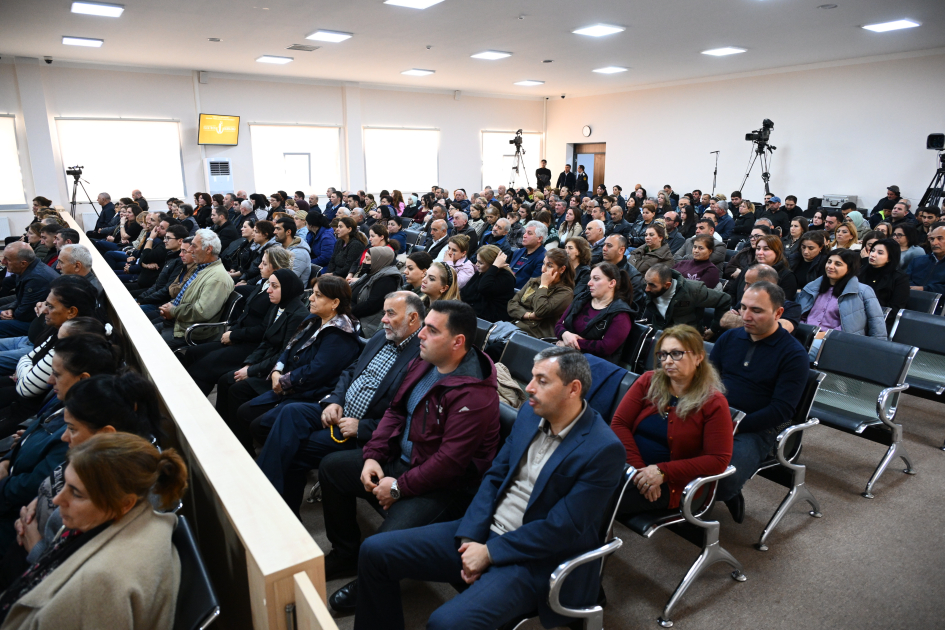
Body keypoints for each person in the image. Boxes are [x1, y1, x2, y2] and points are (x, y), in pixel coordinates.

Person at [352, 346, 624, 630]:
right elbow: (494, 477)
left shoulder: (602, 449)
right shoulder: (530, 415)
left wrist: (490, 553)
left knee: (446, 623)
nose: (528, 388)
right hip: (484, 532)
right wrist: (471, 535)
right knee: (374, 551)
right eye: (531, 378)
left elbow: (562, 529)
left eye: (542, 381)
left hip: (533, 559)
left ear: (573, 389)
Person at [319, 301, 500, 613]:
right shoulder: (426, 360)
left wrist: (399, 487)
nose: (421, 335)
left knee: (380, 549)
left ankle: (368, 584)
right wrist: (374, 456)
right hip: (405, 462)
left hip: (445, 487)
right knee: (332, 468)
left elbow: (449, 464)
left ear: (457, 342)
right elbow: (396, 410)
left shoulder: (476, 396)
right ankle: (346, 552)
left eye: (431, 330)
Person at [257, 292, 424, 517]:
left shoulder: (421, 356)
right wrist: (334, 401)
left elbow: (403, 414)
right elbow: (350, 371)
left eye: (390, 313)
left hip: (361, 431)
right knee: (290, 413)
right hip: (339, 409)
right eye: (384, 312)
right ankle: (264, 491)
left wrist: (361, 427)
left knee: (295, 451)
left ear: (413, 318)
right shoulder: (382, 336)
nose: (383, 319)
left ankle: (271, 506)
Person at [0, 433, 186, 629]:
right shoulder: (128, 517)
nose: (57, 500)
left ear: (125, 503)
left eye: (76, 493)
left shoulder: (99, 585)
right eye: (65, 485)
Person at [710, 282, 810, 522]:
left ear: (778, 313)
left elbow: (781, 410)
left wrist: (733, 426)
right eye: (743, 307)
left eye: (756, 310)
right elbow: (708, 381)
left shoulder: (793, 355)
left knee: (724, 479)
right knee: (664, 445)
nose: (745, 316)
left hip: (757, 428)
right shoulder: (730, 338)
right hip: (717, 414)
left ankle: (730, 493)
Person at [612, 324, 733, 515]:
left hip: (672, 482)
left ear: (698, 357)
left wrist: (662, 472)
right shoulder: (648, 381)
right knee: (574, 482)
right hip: (630, 467)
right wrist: (641, 472)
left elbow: (718, 460)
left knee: (597, 500)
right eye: (663, 355)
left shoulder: (713, 402)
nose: (667, 361)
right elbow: (619, 424)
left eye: (676, 354)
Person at [184, 253, 300, 393]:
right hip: (241, 337)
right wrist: (232, 332)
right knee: (193, 353)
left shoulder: (278, 296)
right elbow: (245, 314)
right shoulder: (264, 284)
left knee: (204, 367)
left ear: (277, 268)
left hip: (251, 344)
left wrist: (235, 335)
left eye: (264, 263)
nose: (259, 266)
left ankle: (189, 403)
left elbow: (264, 331)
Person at [156, 229, 234, 350]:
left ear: (208, 249)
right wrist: (170, 306)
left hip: (189, 333)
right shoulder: (201, 268)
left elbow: (201, 312)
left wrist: (173, 311)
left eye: (193, 246)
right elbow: (186, 297)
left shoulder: (218, 278)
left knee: (145, 344)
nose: (190, 250)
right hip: (179, 323)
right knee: (138, 330)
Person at [798, 248, 887, 351]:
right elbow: (799, 315)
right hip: (805, 336)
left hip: (837, 342)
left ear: (849, 268)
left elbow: (876, 327)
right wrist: (805, 332)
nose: (830, 266)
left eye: (838, 264)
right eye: (829, 262)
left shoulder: (863, 291)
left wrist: (876, 351)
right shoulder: (812, 286)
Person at [554, 262, 633, 361]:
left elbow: (606, 347)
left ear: (612, 283)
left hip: (594, 364)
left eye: (596, 279)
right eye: (590, 278)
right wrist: (565, 334)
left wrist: (570, 343)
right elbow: (559, 325)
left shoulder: (620, 314)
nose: (589, 283)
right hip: (566, 355)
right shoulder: (581, 299)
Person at [715, 264, 803, 336]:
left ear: (766, 284)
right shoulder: (747, 301)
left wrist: (738, 319)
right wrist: (761, 322)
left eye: (748, 284)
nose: (745, 289)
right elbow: (724, 321)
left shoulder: (791, 307)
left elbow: (781, 328)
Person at [507, 249, 575, 339]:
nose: (543, 269)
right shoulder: (534, 282)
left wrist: (544, 285)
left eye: (549, 266)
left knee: (496, 349)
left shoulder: (565, 293)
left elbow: (540, 311)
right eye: (543, 264)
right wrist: (529, 315)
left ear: (562, 269)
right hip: (515, 328)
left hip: (535, 336)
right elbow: (511, 304)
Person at [642, 264, 731, 331]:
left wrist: (714, 329)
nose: (647, 289)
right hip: (660, 334)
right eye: (646, 282)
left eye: (652, 285)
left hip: (686, 338)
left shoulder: (694, 290)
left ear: (667, 285)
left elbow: (724, 299)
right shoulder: (648, 288)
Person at [0, 244, 59, 340]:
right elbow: (22, 298)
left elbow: (23, 314)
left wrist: (11, 313)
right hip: (29, 315)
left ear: (23, 263)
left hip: (39, 324)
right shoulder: (27, 268)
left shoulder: (36, 278)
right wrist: (11, 308)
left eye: (8, 259)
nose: (3, 262)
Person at [351, 247, 403, 337]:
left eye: (368, 259)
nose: (363, 262)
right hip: (354, 315)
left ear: (379, 260)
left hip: (365, 325)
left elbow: (371, 306)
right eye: (364, 258)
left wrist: (346, 310)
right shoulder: (373, 272)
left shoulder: (387, 280)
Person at [461, 245, 515, 322]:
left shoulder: (506, 277)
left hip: (491, 318)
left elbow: (483, 288)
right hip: (475, 312)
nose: (476, 264)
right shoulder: (482, 272)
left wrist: (494, 267)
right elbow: (465, 292)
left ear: (492, 264)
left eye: (480, 263)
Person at [858, 238, 910, 315]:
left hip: (881, 319)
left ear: (889, 258)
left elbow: (895, 308)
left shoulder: (900, 278)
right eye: (872, 250)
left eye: (880, 253)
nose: (873, 255)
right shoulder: (862, 270)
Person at [503, 221, 548, 290]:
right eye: (525, 232)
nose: (524, 235)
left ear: (539, 239)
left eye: (529, 233)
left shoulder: (543, 258)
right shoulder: (518, 252)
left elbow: (532, 286)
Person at [274, 217, 312, 285]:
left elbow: (287, 280)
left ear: (288, 232)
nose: (274, 232)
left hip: (288, 292)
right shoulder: (281, 247)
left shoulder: (299, 254)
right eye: (275, 229)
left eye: (278, 229)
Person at [907, 225, 945, 293]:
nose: (934, 243)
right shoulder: (917, 261)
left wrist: (924, 289)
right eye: (932, 239)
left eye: (940, 239)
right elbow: (905, 280)